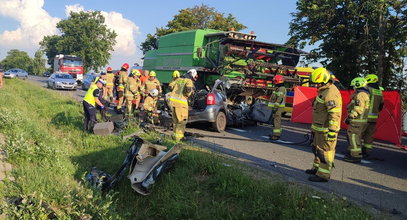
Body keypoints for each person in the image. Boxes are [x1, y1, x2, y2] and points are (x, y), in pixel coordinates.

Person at [306, 67, 342, 182]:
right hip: (319, 128)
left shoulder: (331, 93)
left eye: (317, 83)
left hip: (326, 130)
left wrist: (332, 130)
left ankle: (323, 175)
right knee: (317, 149)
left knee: (325, 152)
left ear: (324, 81)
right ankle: (316, 168)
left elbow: (334, 114)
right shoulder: (323, 91)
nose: (315, 86)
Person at [344, 77, 370, 163]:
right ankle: (351, 152)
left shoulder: (360, 95)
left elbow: (359, 108)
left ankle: (355, 156)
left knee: (353, 137)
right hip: (360, 120)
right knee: (354, 136)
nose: (353, 88)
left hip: (357, 120)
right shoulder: (363, 94)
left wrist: (351, 117)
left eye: (354, 86)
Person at [168, 69, 197, 142]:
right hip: (181, 104)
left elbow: (170, 86)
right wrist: (189, 94)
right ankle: (179, 139)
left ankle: (174, 137)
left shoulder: (179, 79)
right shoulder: (189, 81)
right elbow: (188, 91)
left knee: (176, 121)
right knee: (181, 121)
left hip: (173, 103)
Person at [361, 74, 384, 157]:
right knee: (369, 135)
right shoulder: (379, 92)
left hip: (365, 116)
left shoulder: (367, 89)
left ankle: (356, 151)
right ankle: (367, 151)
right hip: (374, 118)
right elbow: (381, 105)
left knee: (359, 134)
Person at [268, 75, 286, 140]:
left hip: (278, 108)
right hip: (277, 108)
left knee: (276, 121)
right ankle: (276, 134)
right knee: (276, 121)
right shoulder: (278, 88)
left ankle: (276, 135)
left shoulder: (281, 89)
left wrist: (275, 107)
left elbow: (279, 99)